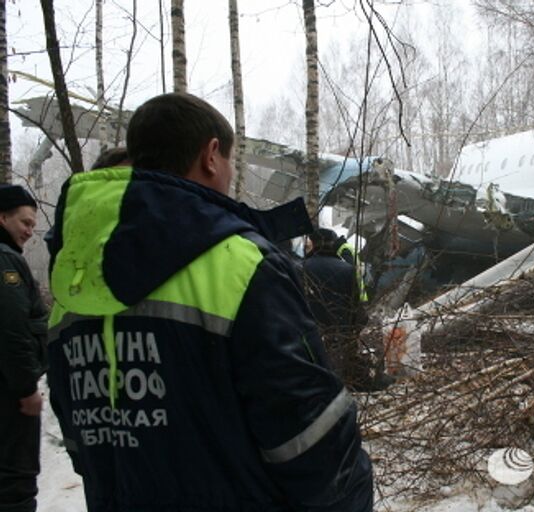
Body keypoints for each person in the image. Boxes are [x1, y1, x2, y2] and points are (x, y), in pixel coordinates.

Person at [46, 93, 372, 511]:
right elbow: (309, 434)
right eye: (232, 160)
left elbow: (78, 437)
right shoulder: (242, 264)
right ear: (212, 155)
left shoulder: (70, 283)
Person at [0, 185, 47, 512]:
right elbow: (11, 329)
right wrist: (27, 388)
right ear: (2, 218)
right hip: (9, 396)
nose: (30, 231)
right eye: (24, 223)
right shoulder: (5, 261)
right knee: (15, 481)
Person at [303, 228, 370, 389]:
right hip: (340, 334)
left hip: (310, 336)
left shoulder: (300, 268)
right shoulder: (347, 269)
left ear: (313, 244)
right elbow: (355, 307)